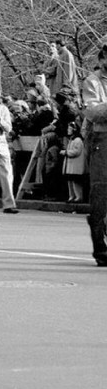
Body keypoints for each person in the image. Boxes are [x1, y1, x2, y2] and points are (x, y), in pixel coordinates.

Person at [83, 96, 107, 266]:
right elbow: (92, 111)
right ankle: (100, 249)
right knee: (98, 204)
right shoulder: (93, 81)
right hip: (101, 151)